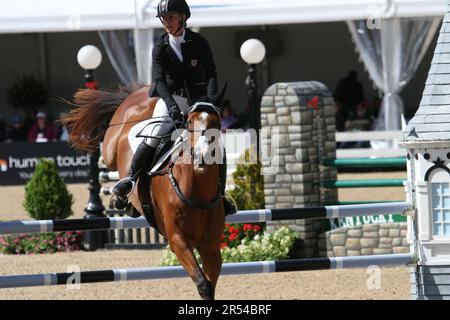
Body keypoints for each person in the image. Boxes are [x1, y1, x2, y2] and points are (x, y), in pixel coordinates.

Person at [112, 0, 236, 215]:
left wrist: (210, 100)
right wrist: (171, 107)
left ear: (183, 18)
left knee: (215, 143)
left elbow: (212, 74)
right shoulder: (160, 47)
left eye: (170, 17)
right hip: (172, 99)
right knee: (156, 133)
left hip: (200, 100)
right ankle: (130, 181)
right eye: (164, 18)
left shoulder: (199, 43)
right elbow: (159, 82)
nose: (166, 22)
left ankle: (221, 195)